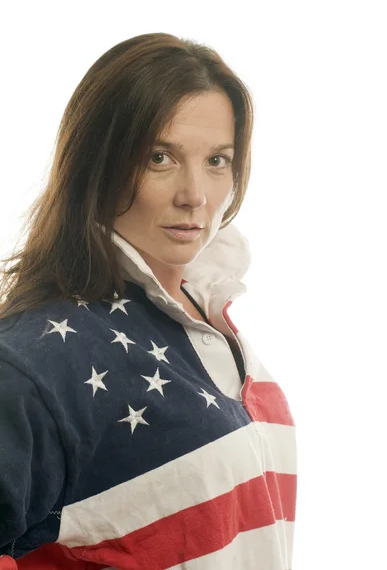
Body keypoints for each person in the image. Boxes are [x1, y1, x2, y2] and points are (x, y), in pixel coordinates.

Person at [0, 33, 297, 569]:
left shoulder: (208, 314)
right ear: (98, 164)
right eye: (159, 158)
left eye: (217, 160)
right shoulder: (39, 360)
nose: (195, 195)